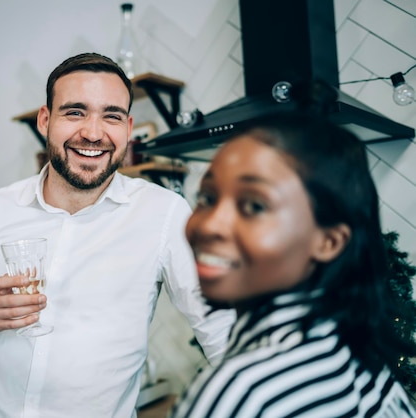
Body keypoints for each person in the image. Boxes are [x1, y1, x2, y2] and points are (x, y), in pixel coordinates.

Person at [0, 52, 235, 418]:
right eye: (75, 112)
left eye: (112, 116)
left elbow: (223, 332)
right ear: (45, 119)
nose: (92, 132)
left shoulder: (164, 214)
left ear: (128, 127)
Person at [173, 110, 416, 417]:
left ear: (328, 241)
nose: (210, 226)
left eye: (254, 205)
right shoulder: (359, 351)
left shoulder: (243, 393)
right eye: (207, 198)